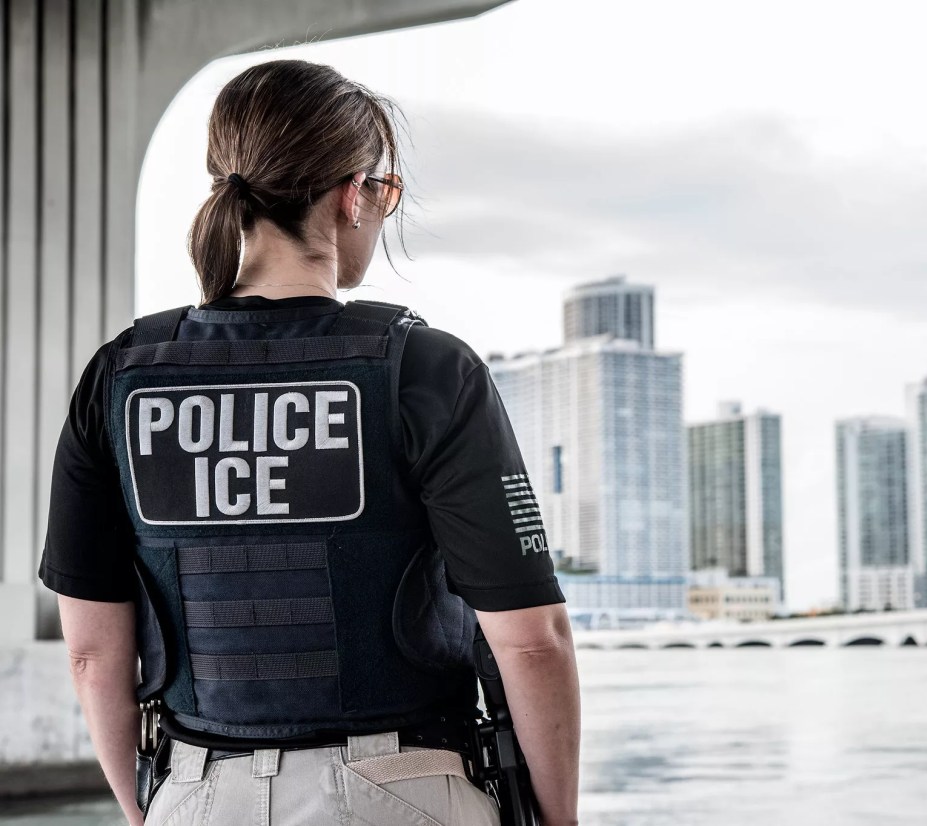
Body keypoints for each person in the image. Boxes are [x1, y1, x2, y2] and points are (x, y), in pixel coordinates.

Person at [38, 59, 581, 826]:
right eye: (386, 194)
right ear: (352, 194)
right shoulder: (424, 368)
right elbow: (531, 643)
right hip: (404, 786)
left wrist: (152, 809)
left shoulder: (120, 377)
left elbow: (93, 653)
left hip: (196, 789)